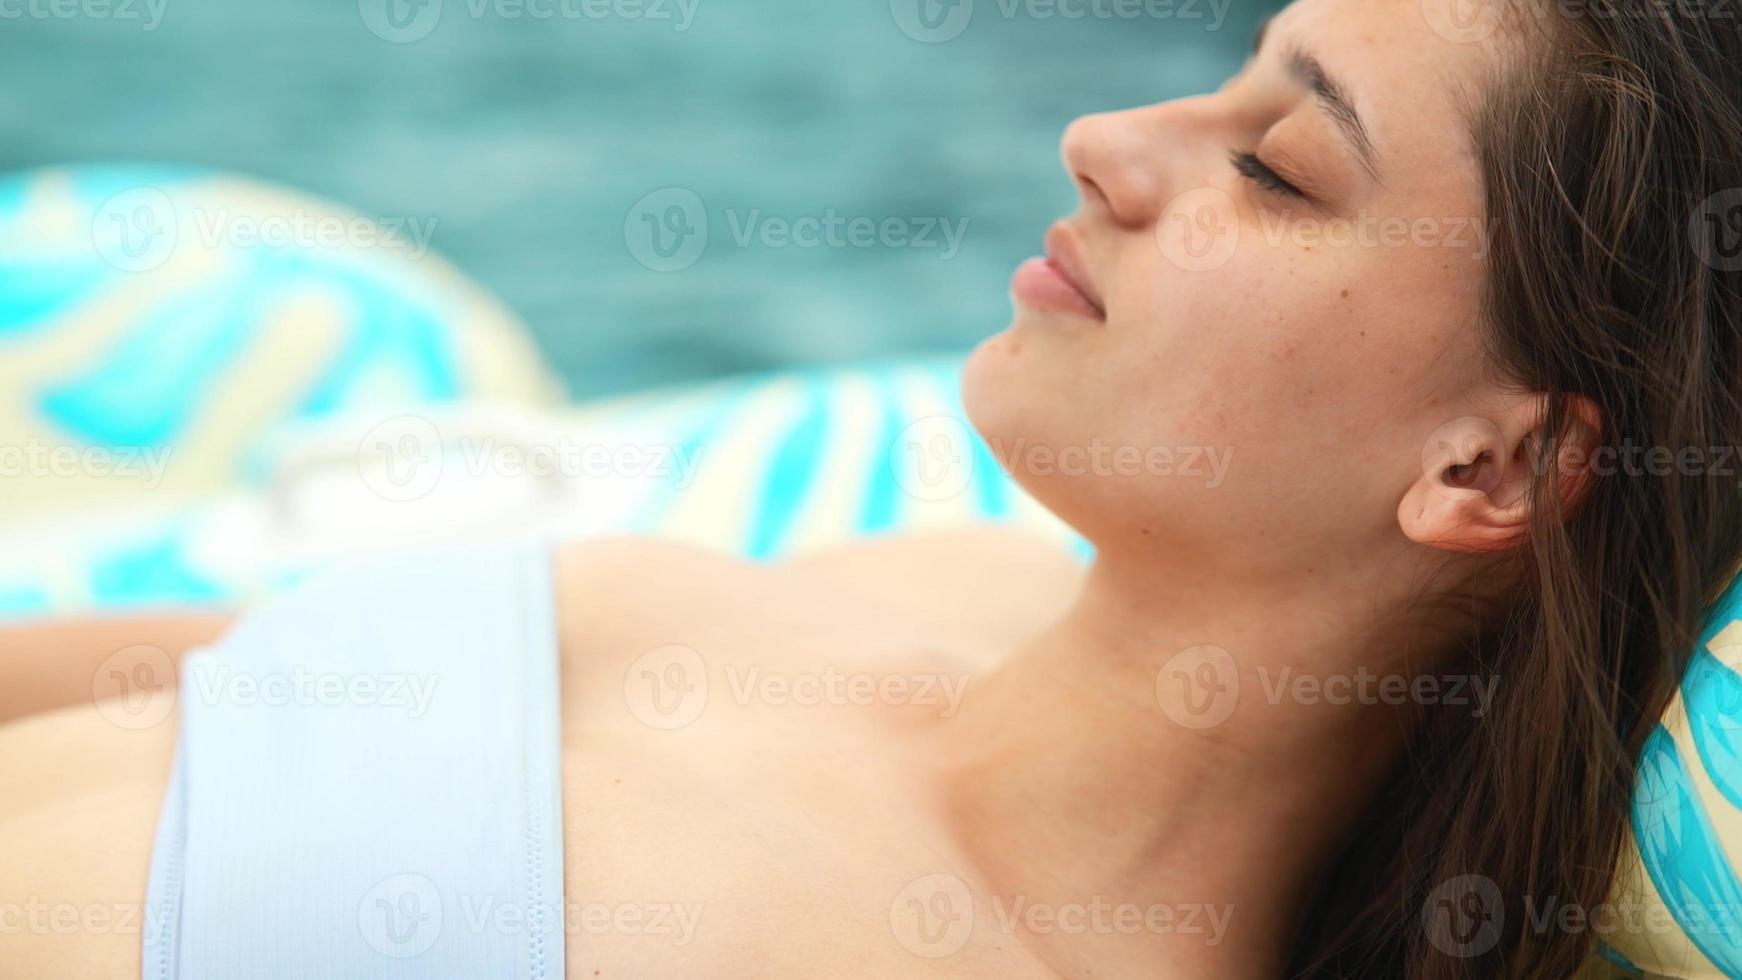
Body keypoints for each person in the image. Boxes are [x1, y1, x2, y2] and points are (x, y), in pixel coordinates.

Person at [5, 0, 1741, 975]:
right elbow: (174, 683)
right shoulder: (917, 591)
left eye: (1278, 172)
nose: (1108, 142)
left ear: (1487, 468)